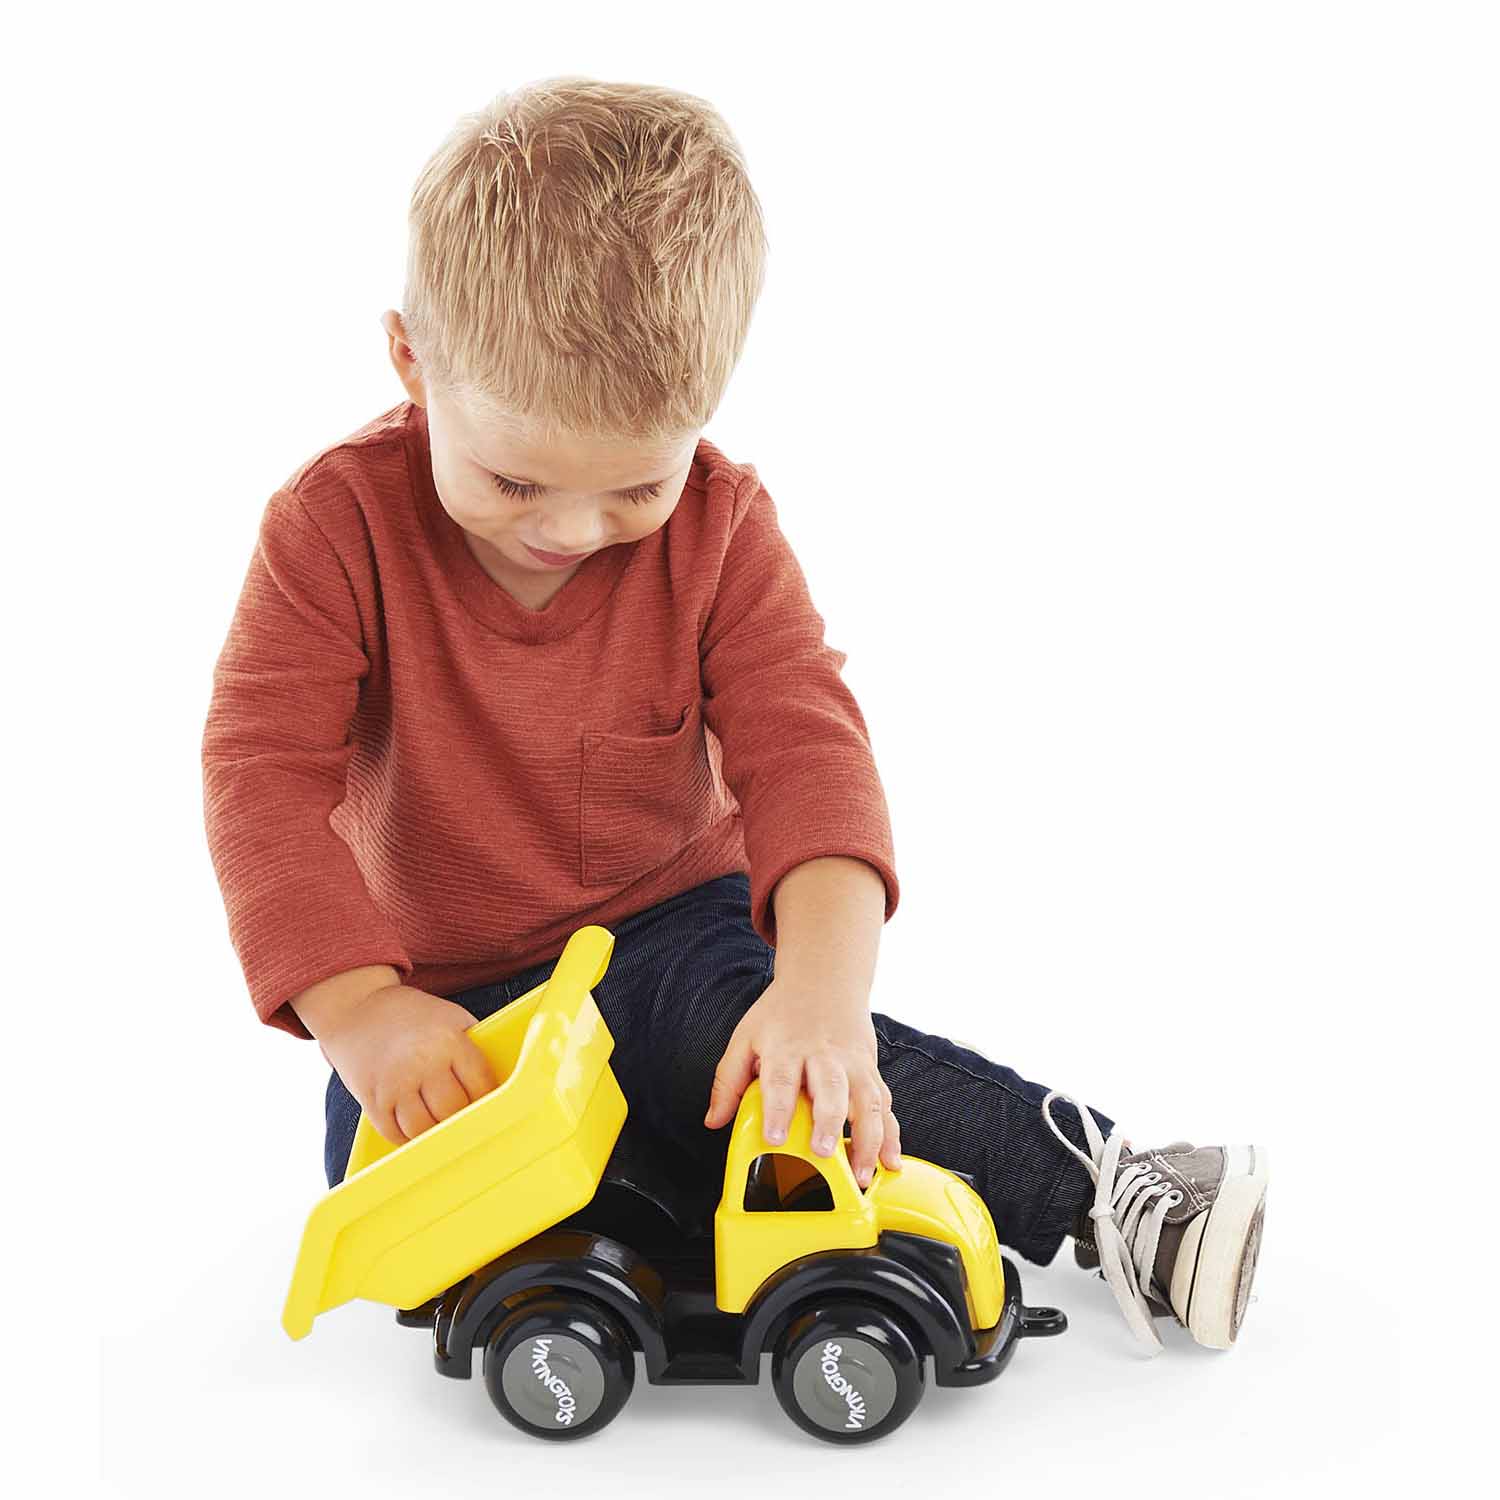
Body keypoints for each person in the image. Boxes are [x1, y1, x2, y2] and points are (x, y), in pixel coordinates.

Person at [201, 76, 1267, 1356]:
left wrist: (818, 998)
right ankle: (663, 1224)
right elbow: (262, 772)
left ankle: (1113, 1194)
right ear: (411, 361)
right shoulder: (331, 529)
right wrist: (363, 1011)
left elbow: (809, 755)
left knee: (783, 1072)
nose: (571, 531)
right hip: (458, 994)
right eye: (516, 480)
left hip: (667, 937)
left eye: (634, 487)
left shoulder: (724, 534)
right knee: (392, 1193)